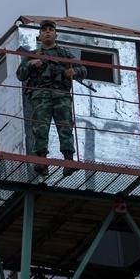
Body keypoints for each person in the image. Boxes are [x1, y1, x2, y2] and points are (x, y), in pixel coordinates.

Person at [16, 20, 87, 176]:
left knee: (65, 127)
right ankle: (41, 161)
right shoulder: (33, 55)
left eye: (50, 30)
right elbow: (20, 75)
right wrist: (31, 64)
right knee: (40, 128)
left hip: (61, 94)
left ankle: (68, 160)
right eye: (44, 30)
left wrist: (73, 72)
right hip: (40, 94)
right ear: (39, 35)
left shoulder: (64, 54)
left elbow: (83, 69)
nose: (47, 32)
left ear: (56, 34)